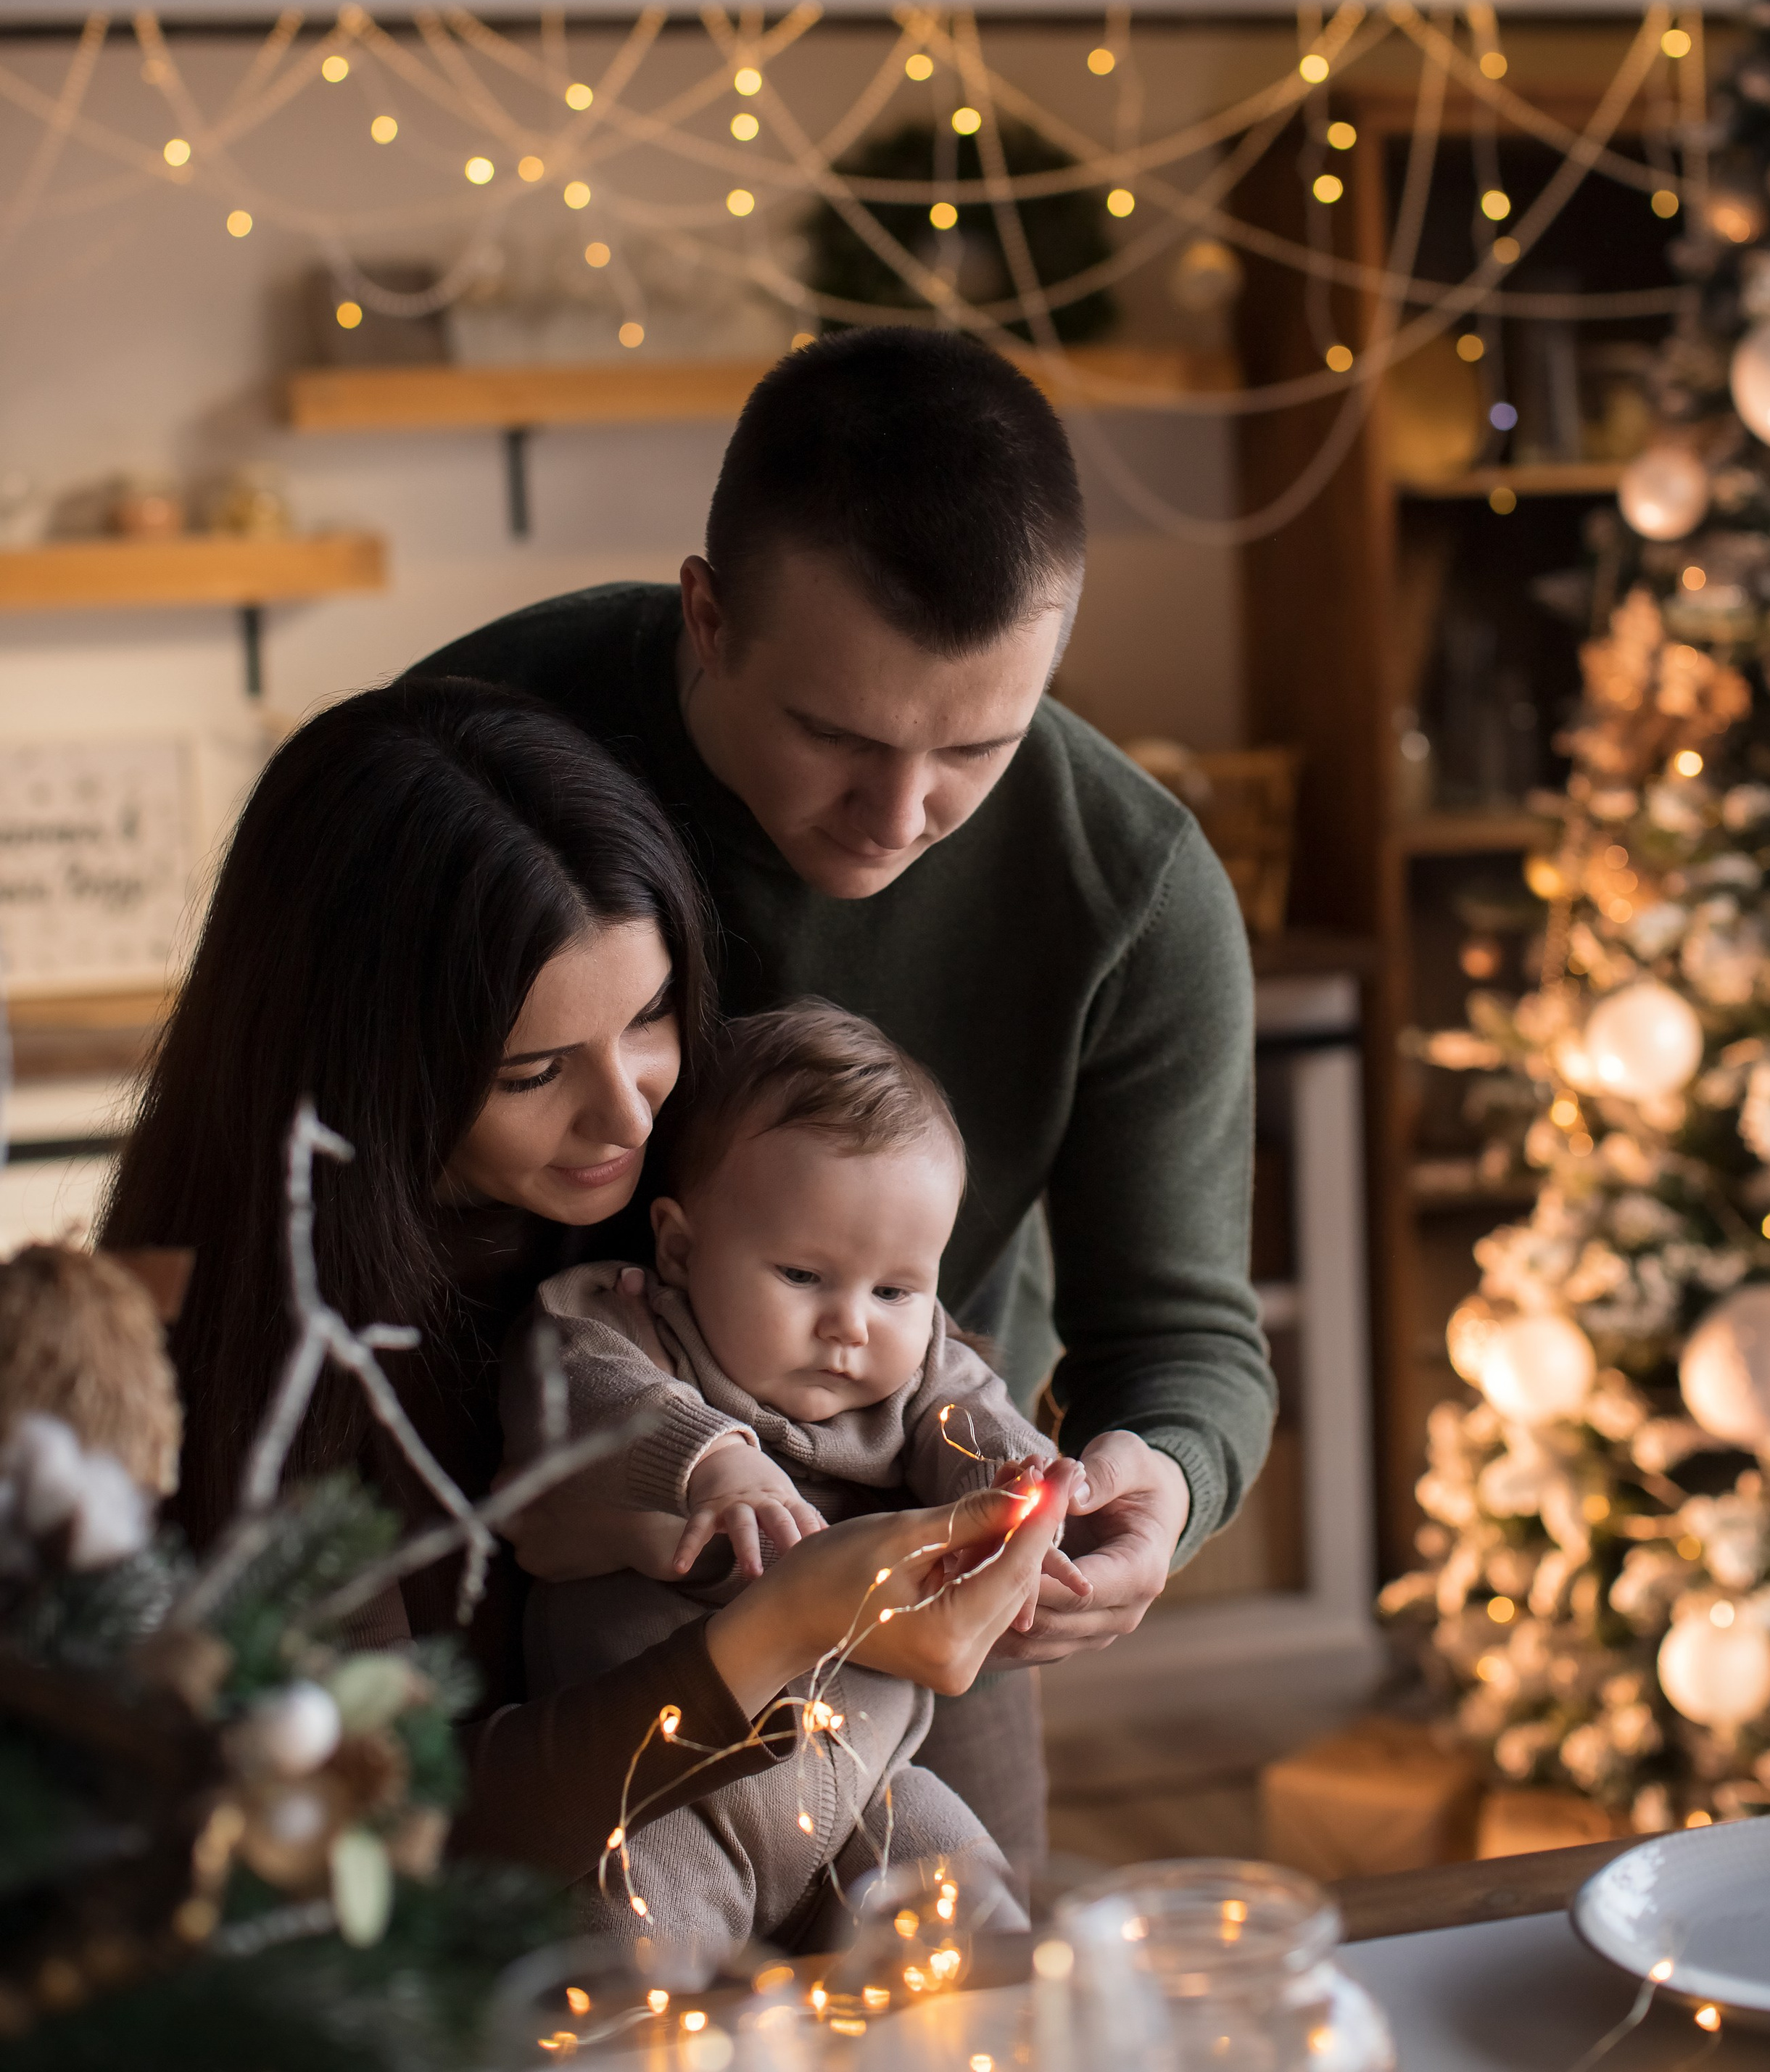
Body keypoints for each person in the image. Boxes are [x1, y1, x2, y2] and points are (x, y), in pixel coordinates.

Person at [415, 327, 1275, 1860]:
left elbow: (1185, 1336)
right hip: (503, 1548)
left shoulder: (1129, 889)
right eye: (835, 734)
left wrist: (1157, 1481)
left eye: (976, 749)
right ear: (707, 614)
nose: (898, 815)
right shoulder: (474, 754)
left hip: (916, 1583)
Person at [99, 680, 1068, 1886]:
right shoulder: (260, 1370)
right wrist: (776, 1628)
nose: (629, 1113)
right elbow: (396, 1833)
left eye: (653, 1015)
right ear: (366, 1069)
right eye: (533, 1072)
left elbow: (931, 1422)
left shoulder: (735, 1182)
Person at [503, 997, 1063, 1956]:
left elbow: (973, 1420)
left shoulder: (918, 1371)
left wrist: (1029, 1488)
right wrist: (714, 1462)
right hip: (670, 1803)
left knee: (985, 1943)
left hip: (869, 1799)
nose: (853, 1325)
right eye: (803, 1276)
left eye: (895, 1290)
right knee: (639, 1994)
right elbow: (583, 1388)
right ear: (680, 1247)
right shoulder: (630, 1323)